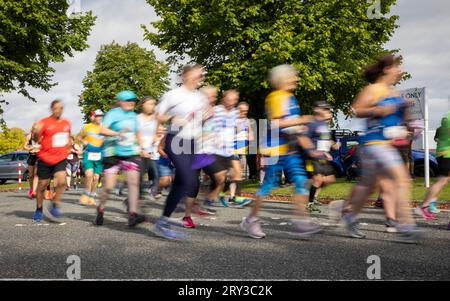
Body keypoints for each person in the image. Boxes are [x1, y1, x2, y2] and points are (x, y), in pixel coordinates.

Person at [338, 55, 421, 243]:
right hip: (374, 144)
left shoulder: (395, 93)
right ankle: (406, 225)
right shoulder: (373, 89)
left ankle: (350, 217)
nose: (400, 71)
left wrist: (408, 122)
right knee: (401, 179)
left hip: (386, 145)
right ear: (387, 69)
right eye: (397, 68)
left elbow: (400, 121)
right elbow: (357, 109)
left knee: (369, 187)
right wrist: (378, 110)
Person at [240, 64, 316, 239]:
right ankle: (251, 220)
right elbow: (275, 123)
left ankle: (301, 220)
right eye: (292, 76)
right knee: (267, 187)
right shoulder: (276, 97)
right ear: (282, 79)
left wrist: (302, 130)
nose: (296, 79)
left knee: (302, 182)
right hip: (274, 150)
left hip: (290, 150)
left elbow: (291, 124)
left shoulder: (291, 98)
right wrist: (302, 120)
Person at [154, 64, 208, 239]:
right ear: (185, 75)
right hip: (176, 140)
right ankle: (166, 219)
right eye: (196, 74)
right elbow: (158, 115)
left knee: (181, 183)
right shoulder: (173, 95)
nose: (199, 78)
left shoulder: (201, 98)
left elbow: (201, 120)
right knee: (189, 180)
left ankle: (163, 221)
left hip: (193, 142)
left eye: (201, 75)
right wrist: (171, 117)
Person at [94, 90, 146, 228]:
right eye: (128, 100)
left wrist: (142, 148)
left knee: (133, 182)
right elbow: (102, 130)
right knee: (109, 187)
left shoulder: (135, 116)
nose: (131, 102)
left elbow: (138, 134)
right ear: (120, 101)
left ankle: (132, 214)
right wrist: (117, 134)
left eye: (133, 100)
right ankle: (101, 208)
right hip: (112, 153)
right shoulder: (113, 114)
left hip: (130, 153)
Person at [32, 100, 72, 222]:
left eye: (61, 108)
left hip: (60, 158)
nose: (58, 110)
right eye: (56, 108)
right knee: (42, 186)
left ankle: (54, 204)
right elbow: (36, 139)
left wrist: (69, 146)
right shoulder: (44, 122)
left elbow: (68, 137)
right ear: (51, 109)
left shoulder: (66, 123)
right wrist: (36, 132)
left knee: (62, 182)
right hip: (45, 158)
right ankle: (39, 208)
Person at [300, 101, 337, 213]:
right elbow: (303, 138)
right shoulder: (312, 123)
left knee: (330, 179)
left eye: (328, 109)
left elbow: (323, 141)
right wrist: (312, 151)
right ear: (317, 109)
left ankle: (308, 188)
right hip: (314, 156)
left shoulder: (324, 125)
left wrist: (330, 148)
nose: (328, 111)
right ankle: (310, 202)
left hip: (323, 156)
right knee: (318, 179)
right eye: (325, 109)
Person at [417, 114, 450, 218]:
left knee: (443, 181)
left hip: (443, 153)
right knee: (442, 181)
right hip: (446, 154)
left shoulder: (445, 118)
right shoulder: (446, 120)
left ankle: (427, 205)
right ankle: (427, 205)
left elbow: (437, 138)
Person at [78, 110, 104, 206]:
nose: (99, 118)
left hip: (99, 155)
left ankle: (92, 197)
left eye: (101, 116)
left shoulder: (104, 127)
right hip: (88, 154)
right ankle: (86, 194)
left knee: (96, 177)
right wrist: (83, 142)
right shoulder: (86, 127)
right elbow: (79, 136)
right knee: (89, 175)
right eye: (97, 116)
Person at [137, 96, 160, 199]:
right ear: (143, 105)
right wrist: (141, 149)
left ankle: (134, 202)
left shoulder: (155, 120)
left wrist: (155, 138)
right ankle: (132, 203)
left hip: (149, 153)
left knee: (155, 174)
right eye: (150, 104)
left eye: (154, 104)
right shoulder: (137, 119)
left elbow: (154, 134)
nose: (153, 106)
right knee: (138, 179)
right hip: (138, 153)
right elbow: (134, 135)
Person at [24, 123, 41, 199]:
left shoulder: (41, 136)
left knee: (36, 174)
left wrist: (38, 148)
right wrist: (29, 148)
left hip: (39, 156)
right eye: (33, 128)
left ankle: (36, 190)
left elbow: (44, 145)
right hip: (32, 156)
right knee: (31, 175)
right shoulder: (29, 136)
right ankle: (31, 190)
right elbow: (24, 146)